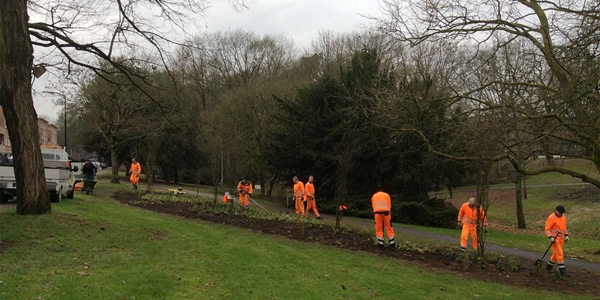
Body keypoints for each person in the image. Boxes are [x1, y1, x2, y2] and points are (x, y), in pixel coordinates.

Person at [545, 205, 569, 275]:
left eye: (562, 213)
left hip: (561, 238)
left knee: (555, 254)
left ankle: (549, 267)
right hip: (554, 239)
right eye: (560, 213)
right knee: (559, 253)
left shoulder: (563, 217)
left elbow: (564, 227)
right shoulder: (551, 217)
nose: (561, 214)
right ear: (556, 211)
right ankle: (562, 270)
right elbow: (547, 229)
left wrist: (566, 235)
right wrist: (550, 237)